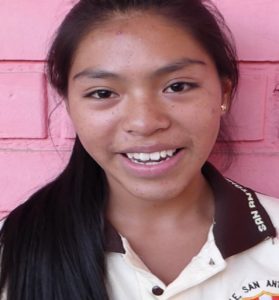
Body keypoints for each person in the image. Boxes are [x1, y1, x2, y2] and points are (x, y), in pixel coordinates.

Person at [1, 0, 279, 299]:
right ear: (69, 105)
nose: (145, 123)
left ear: (223, 93)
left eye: (177, 86)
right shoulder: (12, 249)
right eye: (103, 93)